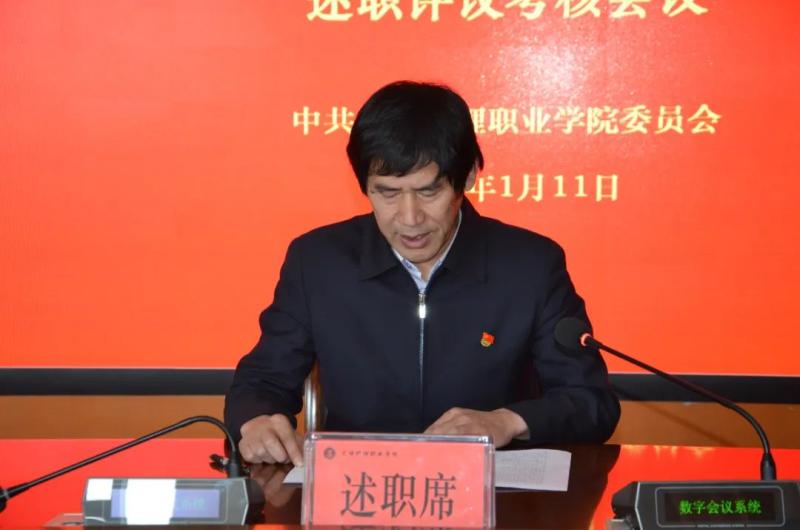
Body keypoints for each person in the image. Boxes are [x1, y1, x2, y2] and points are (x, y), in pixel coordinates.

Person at [224, 81, 620, 466]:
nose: (410, 218)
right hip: (357, 489)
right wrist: (256, 422)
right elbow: (262, 381)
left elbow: (592, 403)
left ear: (468, 177)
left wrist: (507, 422)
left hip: (494, 494)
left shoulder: (530, 266)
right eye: (387, 193)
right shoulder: (318, 262)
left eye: (429, 192)